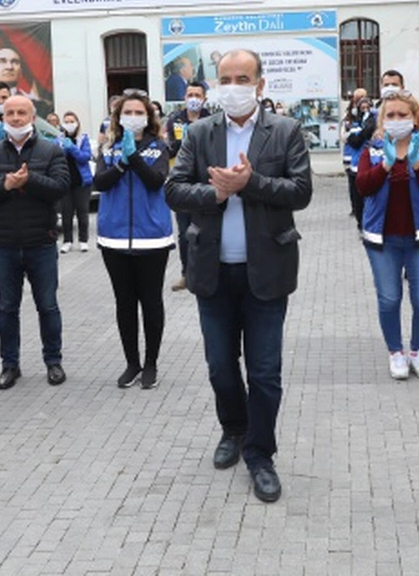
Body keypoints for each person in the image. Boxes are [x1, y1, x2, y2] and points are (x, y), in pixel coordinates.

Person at [165, 49, 313, 504]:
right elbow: (173, 189)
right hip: (212, 271)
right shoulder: (199, 132)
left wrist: (250, 184)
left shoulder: (285, 131)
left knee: (265, 372)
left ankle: (260, 454)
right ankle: (234, 428)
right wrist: (215, 193)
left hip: (267, 271)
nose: (233, 87)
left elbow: (301, 191)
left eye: (242, 78)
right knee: (221, 366)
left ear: (260, 85)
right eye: (225, 78)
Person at [0, 96, 71, 390]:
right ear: (3, 117)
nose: (15, 118)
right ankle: (9, 365)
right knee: (7, 309)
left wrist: (29, 180)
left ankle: (53, 362)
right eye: (10, 113)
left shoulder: (51, 150)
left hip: (41, 242)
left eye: (21, 113)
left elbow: (60, 188)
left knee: (48, 306)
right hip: (4, 243)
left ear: (32, 116)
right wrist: (5, 184)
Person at [356, 90, 419, 380]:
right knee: (389, 299)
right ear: (382, 119)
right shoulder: (373, 149)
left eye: (402, 115)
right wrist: (385, 164)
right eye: (390, 115)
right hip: (383, 239)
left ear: (414, 117)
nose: (396, 120)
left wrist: (417, 162)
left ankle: (418, 351)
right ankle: (396, 352)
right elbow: (363, 186)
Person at [95, 91, 176, 390]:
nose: (132, 117)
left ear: (148, 116)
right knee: (125, 303)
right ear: (118, 117)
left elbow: (155, 181)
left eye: (138, 112)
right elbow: (99, 183)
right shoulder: (108, 147)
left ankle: (151, 363)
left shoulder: (159, 147)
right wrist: (120, 164)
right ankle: (132, 363)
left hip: (151, 237)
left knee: (151, 302)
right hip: (114, 237)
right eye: (126, 112)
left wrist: (135, 159)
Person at [165, 81, 209, 292]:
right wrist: (182, 141)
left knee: (206, 231)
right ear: (184, 97)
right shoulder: (175, 120)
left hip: (205, 183)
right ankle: (186, 274)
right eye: (190, 95)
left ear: (204, 99)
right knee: (184, 233)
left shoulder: (211, 119)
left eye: (197, 95)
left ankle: (206, 273)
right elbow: (170, 149)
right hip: (182, 183)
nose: (193, 99)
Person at [56, 111, 93, 254]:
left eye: (72, 121)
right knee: (66, 213)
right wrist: (64, 149)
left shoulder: (83, 139)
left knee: (82, 212)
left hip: (81, 182)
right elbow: (57, 157)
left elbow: (85, 157)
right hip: (66, 181)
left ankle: (83, 240)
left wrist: (72, 148)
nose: (69, 124)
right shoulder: (59, 140)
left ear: (77, 123)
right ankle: (67, 241)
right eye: (66, 121)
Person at [342, 92, 374, 230]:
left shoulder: (373, 121)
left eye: (367, 107)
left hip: (370, 163)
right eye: (362, 108)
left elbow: (365, 135)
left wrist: (359, 135)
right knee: (357, 195)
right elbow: (352, 140)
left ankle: (367, 222)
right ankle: (360, 222)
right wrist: (356, 135)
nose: (365, 110)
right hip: (355, 163)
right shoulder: (354, 122)